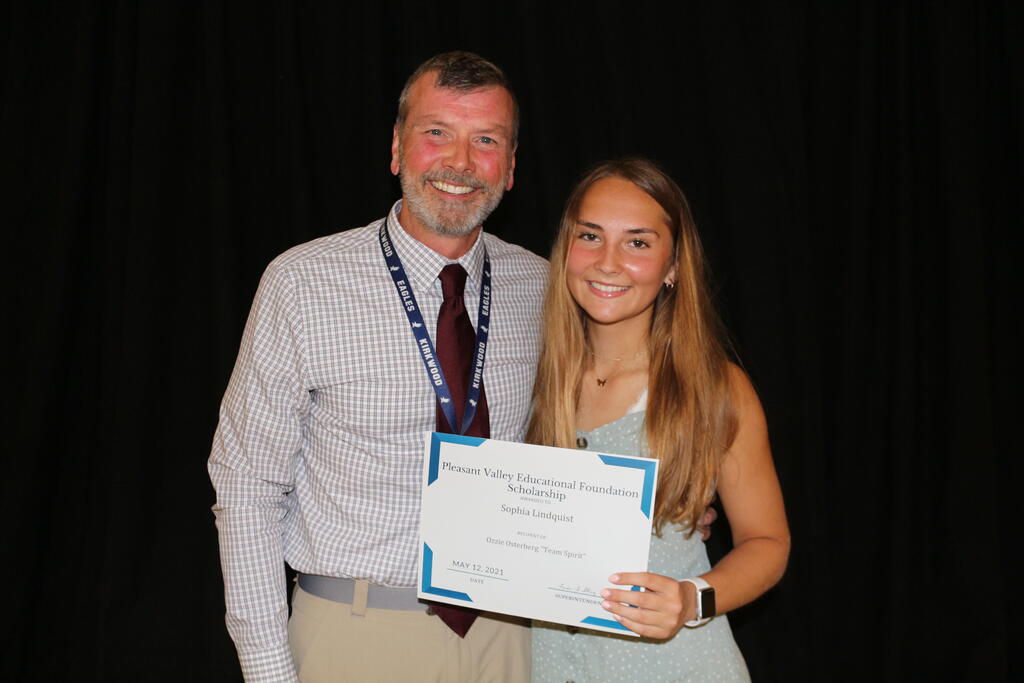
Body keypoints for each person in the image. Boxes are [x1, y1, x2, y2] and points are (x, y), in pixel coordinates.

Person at [208, 51, 547, 682]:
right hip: (356, 636)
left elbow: (580, 433)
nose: (460, 162)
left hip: (509, 639)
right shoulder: (303, 283)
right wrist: (267, 670)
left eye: (486, 140)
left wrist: (670, 503)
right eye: (436, 132)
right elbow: (246, 485)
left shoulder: (543, 287)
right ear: (396, 149)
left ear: (510, 166)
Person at [527, 158, 791, 681]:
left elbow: (768, 543)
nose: (608, 262)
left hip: (678, 667)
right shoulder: (527, 378)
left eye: (637, 243)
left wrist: (692, 599)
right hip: (551, 666)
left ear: (672, 266)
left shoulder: (713, 388)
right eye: (590, 236)